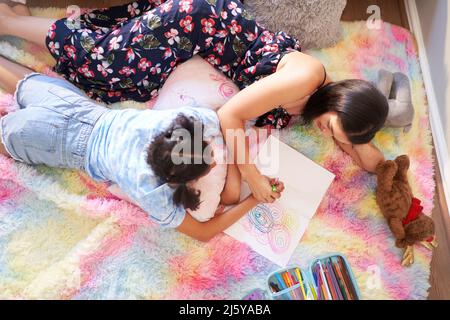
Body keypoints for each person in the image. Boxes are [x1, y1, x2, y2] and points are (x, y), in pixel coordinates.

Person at [0, 0, 388, 204]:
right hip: (196, 23)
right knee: (104, 62)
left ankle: (17, 15)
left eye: (337, 136)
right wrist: (251, 174)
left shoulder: (325, 105)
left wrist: (364, 148)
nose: (327, 133)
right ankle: (7, 21)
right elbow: (231, 115)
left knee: (121, 86)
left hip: (199, 44)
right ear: (339, 101)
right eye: (332, 128)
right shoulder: (306, 77)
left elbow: (358, 142)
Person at [0, 55, 285, 241]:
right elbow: (204, 232)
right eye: (211, 159)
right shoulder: (152, 190)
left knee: (24, 83)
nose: (216, 156)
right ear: (174, 181)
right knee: (10, 132)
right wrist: (254, 200)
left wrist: (248, 178)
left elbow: (224, 123)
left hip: (75, 109)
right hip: (59, 142)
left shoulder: (187, 122)